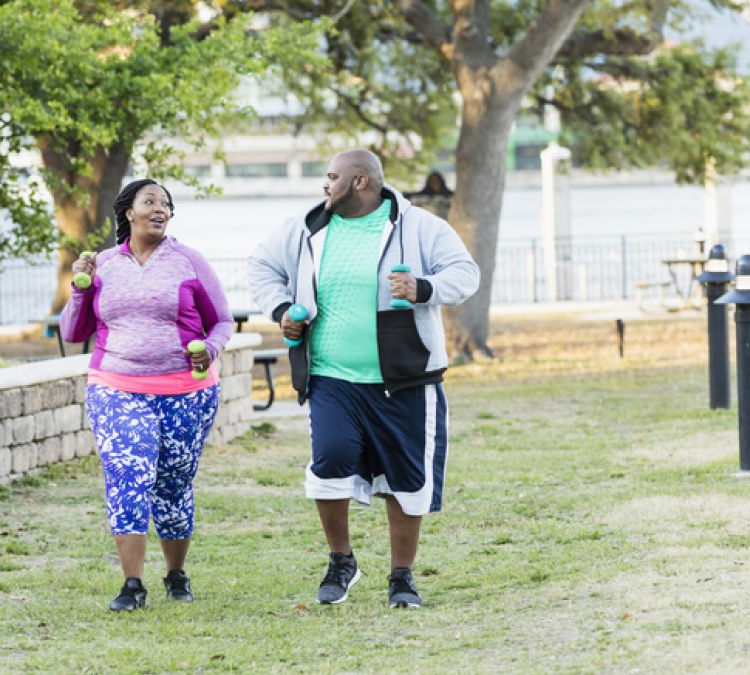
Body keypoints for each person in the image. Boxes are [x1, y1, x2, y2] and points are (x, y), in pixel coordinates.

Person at [248, 149, 480, 608]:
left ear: (360, 182)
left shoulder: (418, 227)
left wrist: (422, 287)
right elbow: (261, 267)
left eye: (332, 176)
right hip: (331, 377)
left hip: (405, 377)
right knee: (329, 462)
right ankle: (341, 561)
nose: (324, 184)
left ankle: (402, 577)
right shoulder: (306, 227)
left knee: (407, 478)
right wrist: (281, 311)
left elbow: (465, 274)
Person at [60, 178, 234, 612]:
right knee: (128, 476)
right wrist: (80, 291)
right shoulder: (101, 265)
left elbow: (223, 322)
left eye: (166, 204)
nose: (160, 208)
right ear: (128, 213)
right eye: (150, 201)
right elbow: (72, 332)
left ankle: (176, 574)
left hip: (186, 392)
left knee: (174, 485)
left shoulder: (189, 261)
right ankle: (132, 584)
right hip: (116, 385)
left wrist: (208, 351)